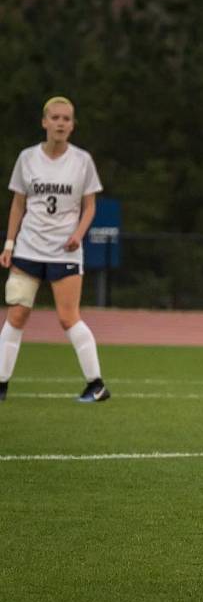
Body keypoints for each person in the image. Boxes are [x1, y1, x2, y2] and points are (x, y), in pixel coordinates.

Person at [0, 96, 109, 403]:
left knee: (68, 317)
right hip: (28, 249)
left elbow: (90, 206)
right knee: (17, 314)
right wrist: (10, 243)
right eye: (55, 118)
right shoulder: (27, 158)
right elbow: (18, 203)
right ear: (44, 122)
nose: (61, 123)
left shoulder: (82, 161)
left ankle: (96, 385)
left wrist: (78, 234)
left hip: (64, 251)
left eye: (66, 119)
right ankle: (1, 383)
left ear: (73, 126)